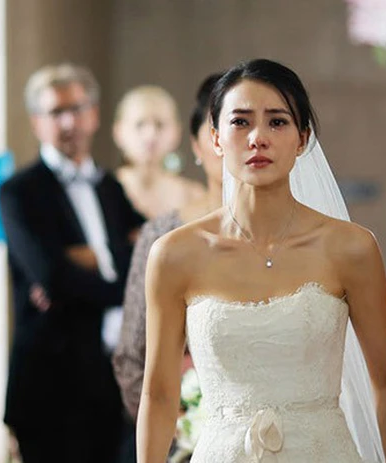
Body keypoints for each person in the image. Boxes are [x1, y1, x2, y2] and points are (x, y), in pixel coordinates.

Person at [136, 59, 386, 463]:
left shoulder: (352, 248)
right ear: (216, 138)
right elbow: (158, 394)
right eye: (240, 122)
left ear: (302, 138)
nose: (258, 137)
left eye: (277, 122)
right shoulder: (174, 254)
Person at [0, 63, 144, 462]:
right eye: (55, 112)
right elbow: (53, 278)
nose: (68, 122)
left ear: (94, 114)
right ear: (36, 122)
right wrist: (121, 282)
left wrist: (95, 261)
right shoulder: (18, 192)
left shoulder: (111, 187)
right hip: (48, 387)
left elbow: (146, 252)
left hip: (108, 383)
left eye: (77, 109)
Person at [112, 72, 224, 460]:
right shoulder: (163, 232)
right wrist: (177, 426)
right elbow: (133, 351)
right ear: (197, 143)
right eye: (220, 129)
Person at [114, 85, 205, 219]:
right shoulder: (104, 192)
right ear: (118, 132)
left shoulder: (194, 196)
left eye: (160, 125)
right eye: (140, 124)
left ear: (177, 132)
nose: (150, 135)